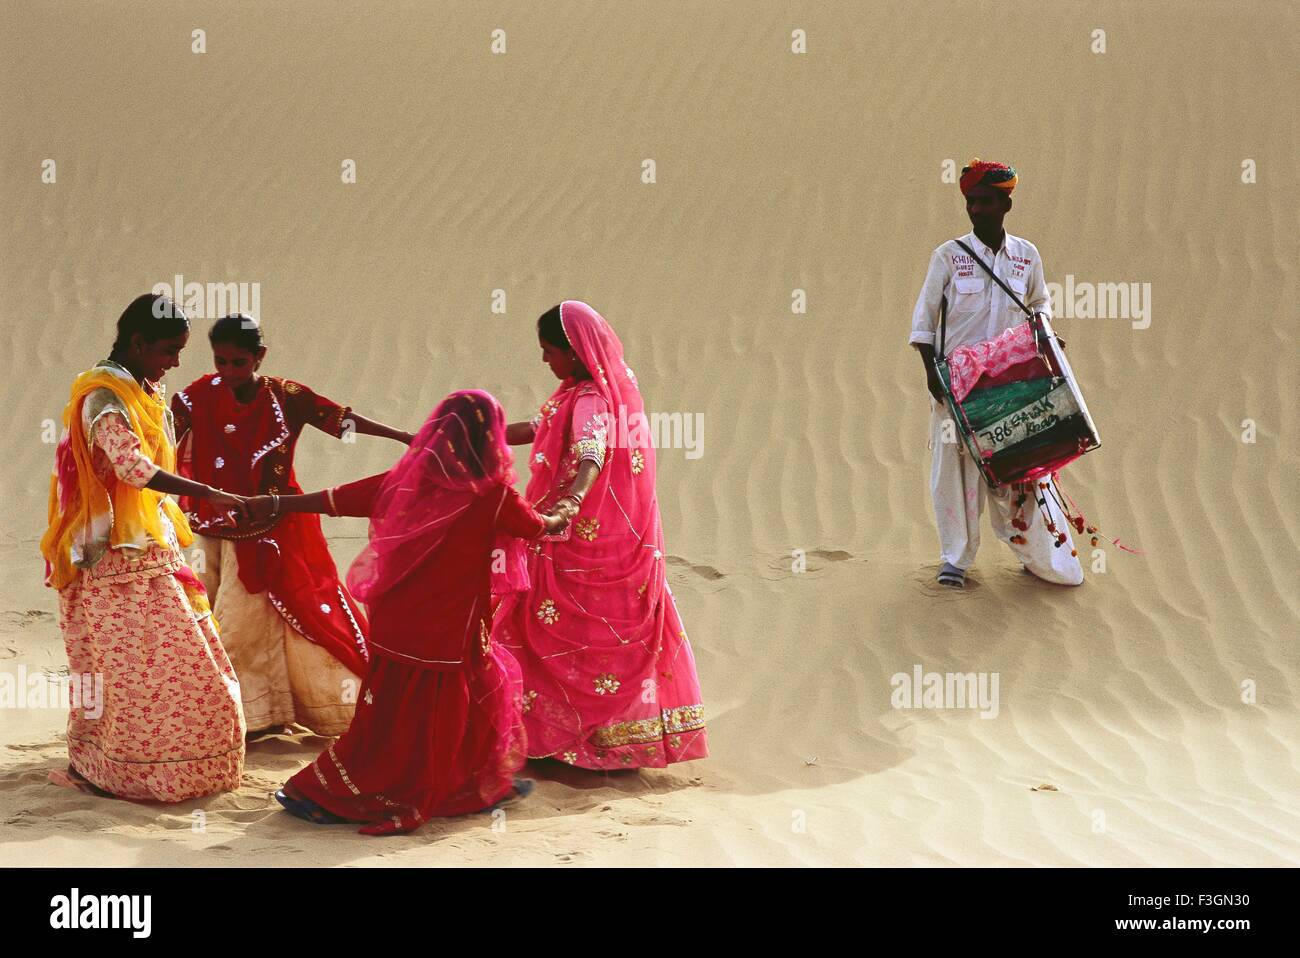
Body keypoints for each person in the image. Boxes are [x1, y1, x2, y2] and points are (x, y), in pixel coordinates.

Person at [245, 391, 565, 833]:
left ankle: (479, 784)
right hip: (449, 633)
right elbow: (535, 527)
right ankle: (352, 792)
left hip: (397, 624)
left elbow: (342, 499)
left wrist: (278, 503)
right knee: (447, 711)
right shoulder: (493, 496)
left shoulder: (412, 479)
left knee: (397, 712)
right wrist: (565, 511)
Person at [39, 293, 247, 801]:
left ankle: (177, 767)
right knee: (127, 674)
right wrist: (211, 494)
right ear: (137, 342)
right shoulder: (104, 399)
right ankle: (115, 770)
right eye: (168, 350)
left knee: (185, 666)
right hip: (112, 557)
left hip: (154, 548)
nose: (176, 361)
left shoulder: (145, 389)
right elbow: (134, 468)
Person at [171, 315, 416, 736]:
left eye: (239, 362)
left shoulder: (287, 397)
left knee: (258, 620)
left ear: (259, 357)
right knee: (217, 619)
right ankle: (254, 713)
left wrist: (405, 436)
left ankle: (255, 714)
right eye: (221, 361)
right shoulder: (198, 395)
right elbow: (161, 435)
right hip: (212, 529)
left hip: (276, 524)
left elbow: (341, 421)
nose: (229, 371)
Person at [495, 301, 708, 769]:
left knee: (560, 631)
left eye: (550, 351)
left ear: (574, 352)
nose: (544, 360)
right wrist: (483, 430)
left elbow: (591, 451)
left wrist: (571, 502)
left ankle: (574, 742)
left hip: (574, 539)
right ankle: (581, 741)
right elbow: (542, 427)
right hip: (593, 537)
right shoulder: (581, 393)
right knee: (578, 631)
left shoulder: (591, 398)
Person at [909, 159, 1084, 588]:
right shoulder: (948, 257)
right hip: (959, 388)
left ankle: (1039, 557)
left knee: (1023, 473)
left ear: (1006, 203)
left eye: (985, 201)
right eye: (971, 202)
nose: (976, 209)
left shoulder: (1026, 256)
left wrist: (1045, 333)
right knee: (954, 473)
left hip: (1012, 386)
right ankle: (955, 560)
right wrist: (933, 375)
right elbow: (923, 322)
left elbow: (1040, 303)